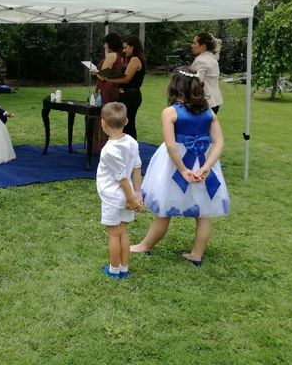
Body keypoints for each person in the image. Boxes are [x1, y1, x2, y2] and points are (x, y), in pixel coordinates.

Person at [130, 67, 229, 266]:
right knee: (204, 211)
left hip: (176, 163)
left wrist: (183, 169)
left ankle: (145, 246)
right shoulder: (209, 112)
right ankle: (196, 255)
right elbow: (219, 143)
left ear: (174, 86)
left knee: (165, 208)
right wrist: (207, 166)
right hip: (202, 161)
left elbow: (170, 145)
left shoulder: (170, 112)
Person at [96, 102, 143, 279]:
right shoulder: (131, 142)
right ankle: (124, 268)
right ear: (126, 121)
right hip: (127, 194)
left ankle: (114, 270)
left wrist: (132, 198)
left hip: (113, 198)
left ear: (103, 124)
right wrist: (137, 192)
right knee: (123, 231)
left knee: (113, 234)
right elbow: (137, 168)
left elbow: (122, 178)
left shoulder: (108, 150)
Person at [97, 35, 146, 140]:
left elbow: (126, 79)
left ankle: (130, 147)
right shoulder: (130, 59)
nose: (124, 50)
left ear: (133, 47)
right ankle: (126, 147)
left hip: (131, 95)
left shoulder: (135, 59)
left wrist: (109, 79)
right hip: (128, 94)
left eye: (126, 47)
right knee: (126, 123)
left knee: (128, 123)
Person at [92, 32, 125, 153]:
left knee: (102, 115)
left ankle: (99, 146)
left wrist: (95, 71)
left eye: (106, 43)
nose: (105, 46)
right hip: (114, 87)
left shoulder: (111, 56)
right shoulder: (121, 56)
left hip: (105, 87)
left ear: (110, 43)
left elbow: (102, 75)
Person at [191, 32, 223, 114]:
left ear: (203, 47)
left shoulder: (201, 61)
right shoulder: (212, 58)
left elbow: (195, 83)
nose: (192, 46)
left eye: (194, 43)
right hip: (215, 101)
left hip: (205, 103)